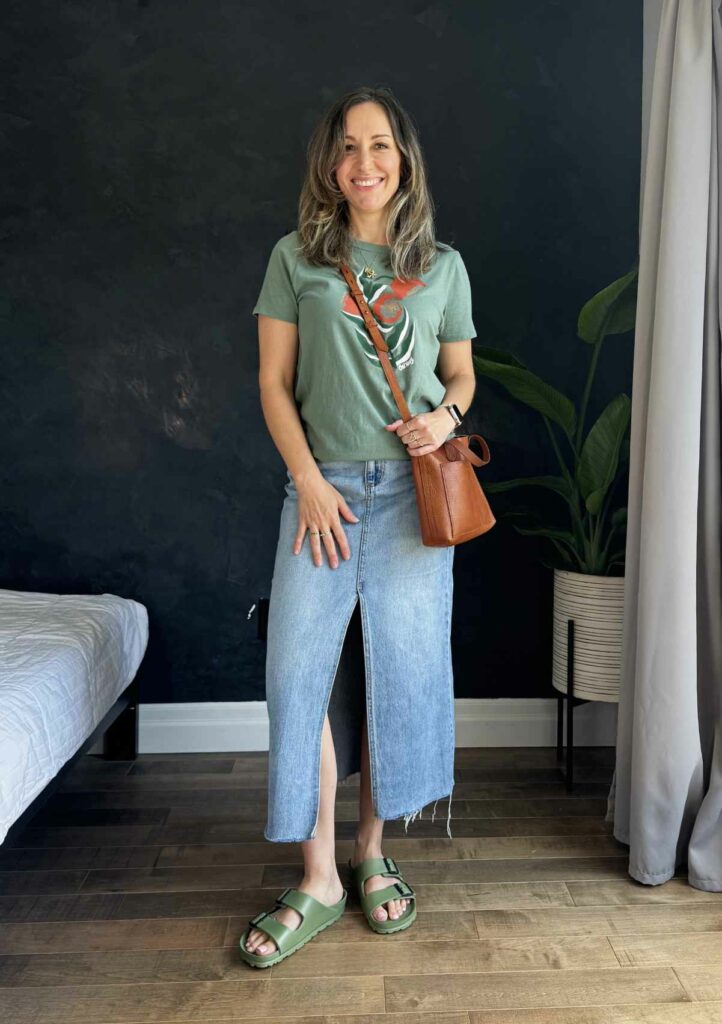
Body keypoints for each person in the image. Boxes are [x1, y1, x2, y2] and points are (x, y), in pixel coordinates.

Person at [240, 85, 477, 967]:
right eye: (346, 148)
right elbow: (272, 384)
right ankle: (317, 878)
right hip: (324, 493)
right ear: (329, 168)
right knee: (297, 672)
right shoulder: (294, 259)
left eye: (379, 145)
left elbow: (460, 378)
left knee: (400, 673)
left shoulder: (443, 266)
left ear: (403, 159)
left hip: (415, 499)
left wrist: (445, 423)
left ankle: (372, 852)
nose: (364, 162)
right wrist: (306, 480)